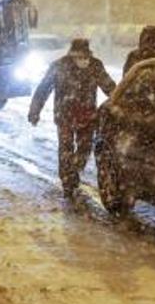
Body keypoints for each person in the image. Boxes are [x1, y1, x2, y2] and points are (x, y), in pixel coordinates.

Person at [27, 38, 115, 198]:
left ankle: (72, 172)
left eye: (84, 56)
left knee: (84, 148)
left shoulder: (95, 65)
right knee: (66, 148)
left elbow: (108, 86)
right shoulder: (60, 65)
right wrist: (35, 110)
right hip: (65, 116)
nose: (82, 59)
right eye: (79, 56)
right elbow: (43, 89)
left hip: (87, 116)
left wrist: (118, 100)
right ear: (72, 53)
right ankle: (68, 181)